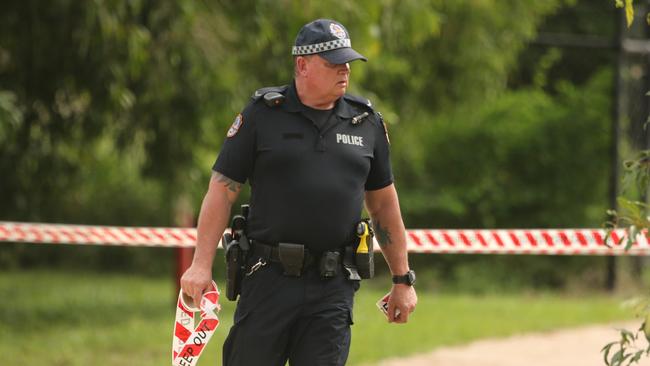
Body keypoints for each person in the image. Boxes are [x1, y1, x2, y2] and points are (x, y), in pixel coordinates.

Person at [180, 18, 417, 366]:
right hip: (267, 279)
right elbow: (222, 189)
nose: (345, 70)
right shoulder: (263, 114)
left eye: (347, 62)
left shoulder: (365, 122)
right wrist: (200, 265)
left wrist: (402, 279)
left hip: (332, 285)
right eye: (333, 62)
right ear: (302, 65)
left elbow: (383, 205)